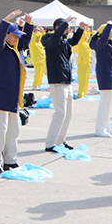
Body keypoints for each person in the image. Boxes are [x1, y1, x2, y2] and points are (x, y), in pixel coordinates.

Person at [0, 10, 33, 174]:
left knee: (14, 130)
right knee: (1, 130)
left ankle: (10, 160)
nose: (16, 38)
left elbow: (26, 39)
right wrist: (6, 20)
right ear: (6, 35)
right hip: (1, 96)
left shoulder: (14, 48)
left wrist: (28, 24)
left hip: (14, 97)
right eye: (14, 35)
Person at [43, 17, 86, 152]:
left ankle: (60, 140)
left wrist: (81, 29)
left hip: (66, 81)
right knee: (60, 113)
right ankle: (50, 143)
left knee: (68, 114)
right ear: (58, 27)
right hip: (57, 81)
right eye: (65, 27)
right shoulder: (49, 38)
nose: (68, 30)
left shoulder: (64, 42)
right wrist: (66, 22)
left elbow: (73, 41)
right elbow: (55, 38)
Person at [75, 28, 93, 99]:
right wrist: (84, 29)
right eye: (85, 35)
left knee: (86, 79)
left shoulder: (87, 44)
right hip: (82, 62)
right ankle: (80, 93)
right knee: (82, 79)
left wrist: (87, 31)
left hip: (87, 62)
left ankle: (84, 93)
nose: (86, 36)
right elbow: (82, 37)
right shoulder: (81, 43)